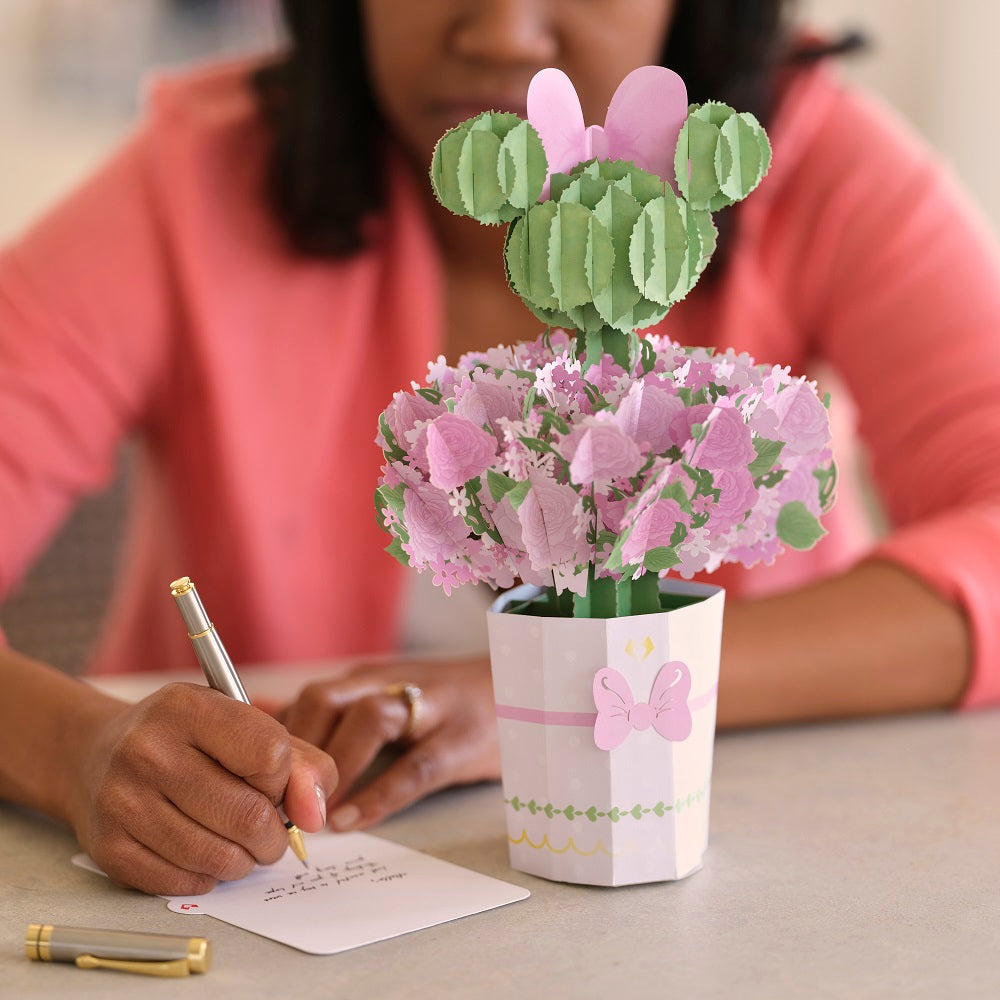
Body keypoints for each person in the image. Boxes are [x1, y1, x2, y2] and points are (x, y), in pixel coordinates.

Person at [2, 0, 999, 893]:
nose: (502, 32)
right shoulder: (196, 184)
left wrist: (537, 689)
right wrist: (71, 746)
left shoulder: (812, 160)